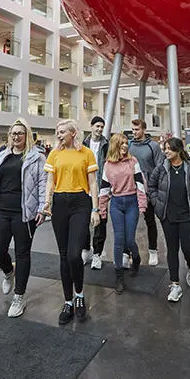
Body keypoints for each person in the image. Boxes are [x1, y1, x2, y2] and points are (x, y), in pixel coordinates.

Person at [0, 119, 46, 318]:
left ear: (27, 135)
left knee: (22, 253)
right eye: (13, 133)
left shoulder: (37, 157)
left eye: (20, 133)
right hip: (1, 210)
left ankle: (19, 297)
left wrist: (43, 208)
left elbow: (43, 183)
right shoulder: (3, 155)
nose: (16, 136)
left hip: (24, 213)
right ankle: (8, 271)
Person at [44, 120, 99, 325]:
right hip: (59, 203)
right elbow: (50, 181)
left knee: (74, 255)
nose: (58, 135)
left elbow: (93, 182)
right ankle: (68, 301)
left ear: (73, 133)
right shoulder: (54, 154)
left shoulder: (86, 153)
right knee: (63, 255)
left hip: (80, 204)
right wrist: (47, 201)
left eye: (62, 132)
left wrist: (95, 209)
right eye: (57, 132)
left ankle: (80, 294)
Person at [149, 137, 190, 303]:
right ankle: (175, 284)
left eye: (169, 148)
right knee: (172, 249)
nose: (166, 151)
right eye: (165, 148)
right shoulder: (161, 169)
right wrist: (156, 203)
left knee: (188, 249)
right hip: (168, 217)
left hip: (187, 216)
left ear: (179, 150)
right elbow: (151, 187)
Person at [99, 133, 147, 293]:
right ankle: (119, 276)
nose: (125, 146)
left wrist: (142, 204)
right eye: (122, 143)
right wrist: (102, 209)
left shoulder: (133, 162)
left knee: (130, 239)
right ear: (115, 146)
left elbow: (140, 184)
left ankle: (136, 257)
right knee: (119, 240)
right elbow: (104, 189)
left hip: (132, 203)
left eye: (126, 143)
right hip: (116, 204)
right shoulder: (108, 165)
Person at [127, 118, 164, 266]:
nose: (134, 132)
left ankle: (153, 250)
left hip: (148, 191)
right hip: (131, 189)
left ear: (143, 130)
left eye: (137, 129)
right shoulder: (129, 145)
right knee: (130, 222)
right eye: (133, 130)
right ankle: (128, 253)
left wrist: (153, 187)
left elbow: (159, 167)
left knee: (150, 221)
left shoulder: (153, 146)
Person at [82, 115, 109, 269]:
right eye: (97, 126)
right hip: (85, 189)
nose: (99, 129)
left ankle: (97, 254)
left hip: (101, 189)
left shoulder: (106, 145)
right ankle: (86, 250)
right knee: (83, 222)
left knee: (100, 223)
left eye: (101, 127)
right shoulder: (83, 144)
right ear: (91, 126)